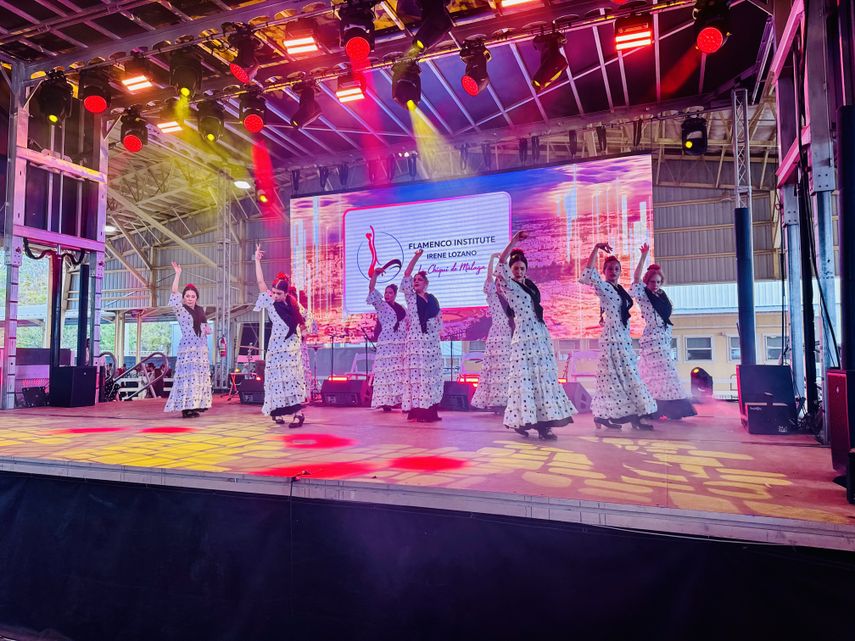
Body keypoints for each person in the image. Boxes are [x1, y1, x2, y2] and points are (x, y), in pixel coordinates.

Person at [495, 231, 575, 439]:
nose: (519, 271)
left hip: (539, 334)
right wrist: (513, 242)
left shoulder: (530, 286)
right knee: (527, 381)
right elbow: (501, 262)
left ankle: (544, 425)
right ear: (511, 271)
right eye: (516, 268)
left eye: (522, 268)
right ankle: (523, 420)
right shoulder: (508, 285)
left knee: (543, 380)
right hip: (523, 338)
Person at [579, 243, 657, 430]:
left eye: (616, 269)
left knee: (628, 377)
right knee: (613, 379)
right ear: (604, 271)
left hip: (624, 339)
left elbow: (637, 281)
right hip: (611, 339)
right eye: (609, 269)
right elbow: (588, 272)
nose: (613, 271)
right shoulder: (603, 287)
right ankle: (606, 415)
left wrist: (644, 256)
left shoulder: (621, 291)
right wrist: (596, 248)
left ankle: (627, 417)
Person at [631, 244, 697, 420]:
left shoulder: (663, 295)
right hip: (652, 340)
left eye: (658, 282)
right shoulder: (643, 294)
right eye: (652, 281)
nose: (655, 285)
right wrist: (644, 256)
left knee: (666, 375)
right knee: (653, 374)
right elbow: (636, 278)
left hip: (664, 338)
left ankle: (671, 410)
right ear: (647, 282)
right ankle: (652, 409)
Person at [254, 244, 306, 427]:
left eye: (278, 293)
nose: (274, 295)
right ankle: (277, 413)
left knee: (291, 380)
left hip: (291, 349)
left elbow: (305, 321)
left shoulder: (294, 305)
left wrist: (304, 332)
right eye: (274, 292)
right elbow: (261, 284)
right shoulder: (269, 301)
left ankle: (298, 414)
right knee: (275, 381)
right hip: (276, 349)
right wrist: (257, 261)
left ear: (286, 294)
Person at [164, 262, 212, 418]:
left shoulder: (200, 311)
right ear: (183, 298)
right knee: (188, 377)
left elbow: (204, 329)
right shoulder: (180, 309)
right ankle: (186, 407)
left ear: (196, 298)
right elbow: (174, 291)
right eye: (187, 296)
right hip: (188, 348)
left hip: (201, 348)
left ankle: (196, 404)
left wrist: (206, 331)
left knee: (198, 377)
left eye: (193, 296)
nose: (190, 299)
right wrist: (177, 274)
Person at [401, 249, 444, 422]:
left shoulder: (433, 298)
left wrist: (435, 331)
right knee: (418, 376)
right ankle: (419, 412)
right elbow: (406, 274)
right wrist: (416, 257)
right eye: (414, 280)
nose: (416, 282)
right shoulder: (411, 297)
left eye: (420, 280)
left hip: (431, 342)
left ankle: (432, 410)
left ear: (426, 283)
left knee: (431, 376)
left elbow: (439, 318)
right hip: (417, 342)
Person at [471, 253, 513, 413]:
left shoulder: (510, 297)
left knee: (508, 368)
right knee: (496, 369)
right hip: (497, 335)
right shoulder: (493, 297)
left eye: (501, 281)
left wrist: (505, 264)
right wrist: (491, 259)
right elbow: (488, 280)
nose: (499, 284)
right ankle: (496, 403)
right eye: (497, 282)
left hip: (509, 334)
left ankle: (508, 401)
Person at [366, 266, 408, 411]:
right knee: (385, 371)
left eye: (390, 292)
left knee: (399, 371)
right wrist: (375, 276)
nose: (387, 295)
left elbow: (407, 323)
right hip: (387, 343)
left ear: (395, 294)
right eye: (386, 292)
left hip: (400, 342)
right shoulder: (381, 306)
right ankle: (385, 401)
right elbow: (371, 289)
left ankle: (400, 400)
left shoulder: (402, 308)